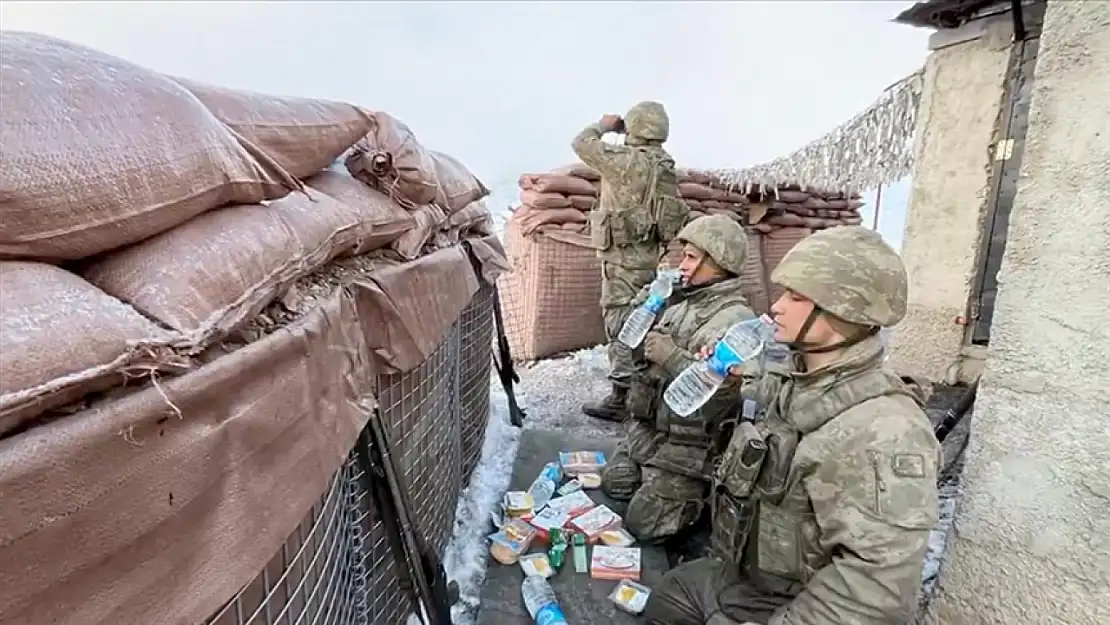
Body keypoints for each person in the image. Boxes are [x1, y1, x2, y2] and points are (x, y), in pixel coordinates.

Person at [643, 225, 942, 625]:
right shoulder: (793, 375)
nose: (777, 306)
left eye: (796, 296)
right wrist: (726, 384)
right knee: (672, 595)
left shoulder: (885, 430)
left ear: (842, 310)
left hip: (797, 603)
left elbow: (874, 593)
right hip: (752, 578)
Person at [600, 214, 755, 544]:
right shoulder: (679, 300)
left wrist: (671, 357)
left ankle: (700, 498)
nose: (681, 265)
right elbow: (628, 344)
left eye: (690, 257)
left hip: (690, 448)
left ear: (720, 261)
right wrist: (646, 307)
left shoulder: (735, 321)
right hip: (651, 432)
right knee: (614, 482)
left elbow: (724, 399)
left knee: (643, 525)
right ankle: (653, 479)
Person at [571, 101, 689, 422]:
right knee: (643, 319)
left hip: (623, 258)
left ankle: (623, 396)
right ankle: (644, 389)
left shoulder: (627, 161)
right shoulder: (664, 167)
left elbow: (582, 144)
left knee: (621, 322)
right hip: (649, 257)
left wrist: (604, 125)